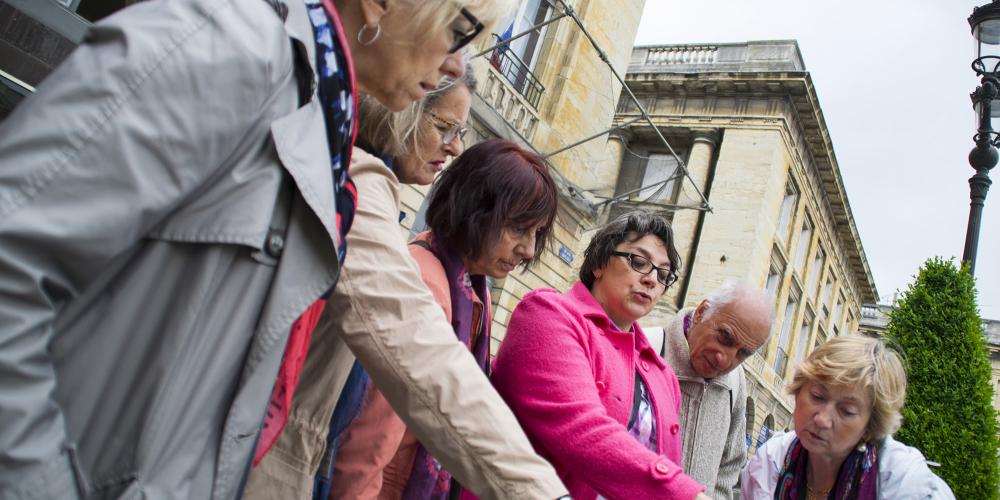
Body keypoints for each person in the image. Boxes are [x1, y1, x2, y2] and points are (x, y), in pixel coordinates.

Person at [0, 0, 557, 498]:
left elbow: (418, 347)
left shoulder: (325, 134)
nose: (458, 63)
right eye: (459, 30)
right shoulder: (222, 46)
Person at [245, 76, 566, 499]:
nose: (453, 147)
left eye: (461, 134)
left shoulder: (471, 290)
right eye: (445, 127)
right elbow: (376, 434)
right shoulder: (424, 271)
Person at [328, 138, 558, 499]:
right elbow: (368, 440)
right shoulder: (427, 281)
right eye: (518, 228)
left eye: (537, 234)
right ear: (475, 210)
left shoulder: (472, 290)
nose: (528, 249)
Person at [491, 210, 711, 500]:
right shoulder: (549, 315)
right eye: (639, 262)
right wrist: (687, 495)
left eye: (663, 274)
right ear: (599, 264)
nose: (651, 280)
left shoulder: (663, 375)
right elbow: (582, 429)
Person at [741, 335, 955, 499]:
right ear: (798, 390)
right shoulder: (772, 460)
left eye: (847, 411)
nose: (822, 420)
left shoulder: (905, 484)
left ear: (870, 426)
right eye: (817, 396)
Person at [656, 280, 772, 498]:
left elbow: (730, 466)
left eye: (743, 354)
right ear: (701, 313)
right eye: (724, 337)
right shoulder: (644, 352)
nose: (724, 360)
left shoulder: (735, 383)